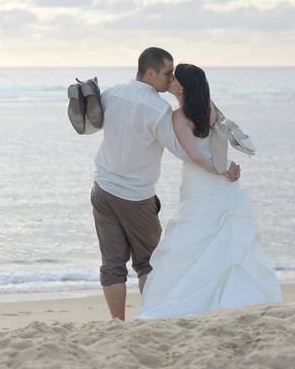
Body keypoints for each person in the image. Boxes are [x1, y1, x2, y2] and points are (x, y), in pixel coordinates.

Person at [88, 47, 240, 320]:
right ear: (150, 73)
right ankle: (151, 315)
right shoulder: (158, 109)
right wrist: (220, 166)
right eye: (167, 73)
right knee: (149, 262)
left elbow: (91, 126)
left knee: (112, 264)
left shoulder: (110, 94)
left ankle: (117, 323)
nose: (170, 79)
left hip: (102, 189)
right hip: (136, 196)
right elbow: (183, 151)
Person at [135, 63, 281, 318]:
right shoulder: (212, 108)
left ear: (183, 86)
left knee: (194, 238)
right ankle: (232, 300)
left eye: (173, 78)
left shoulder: (179, 116)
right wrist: (226, 168)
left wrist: (221, 169)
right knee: (221, 241)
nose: (169, 81)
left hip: (204, 182)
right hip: (222, 183)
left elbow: (195, 156)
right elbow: (220, 147)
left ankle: (190, 303)